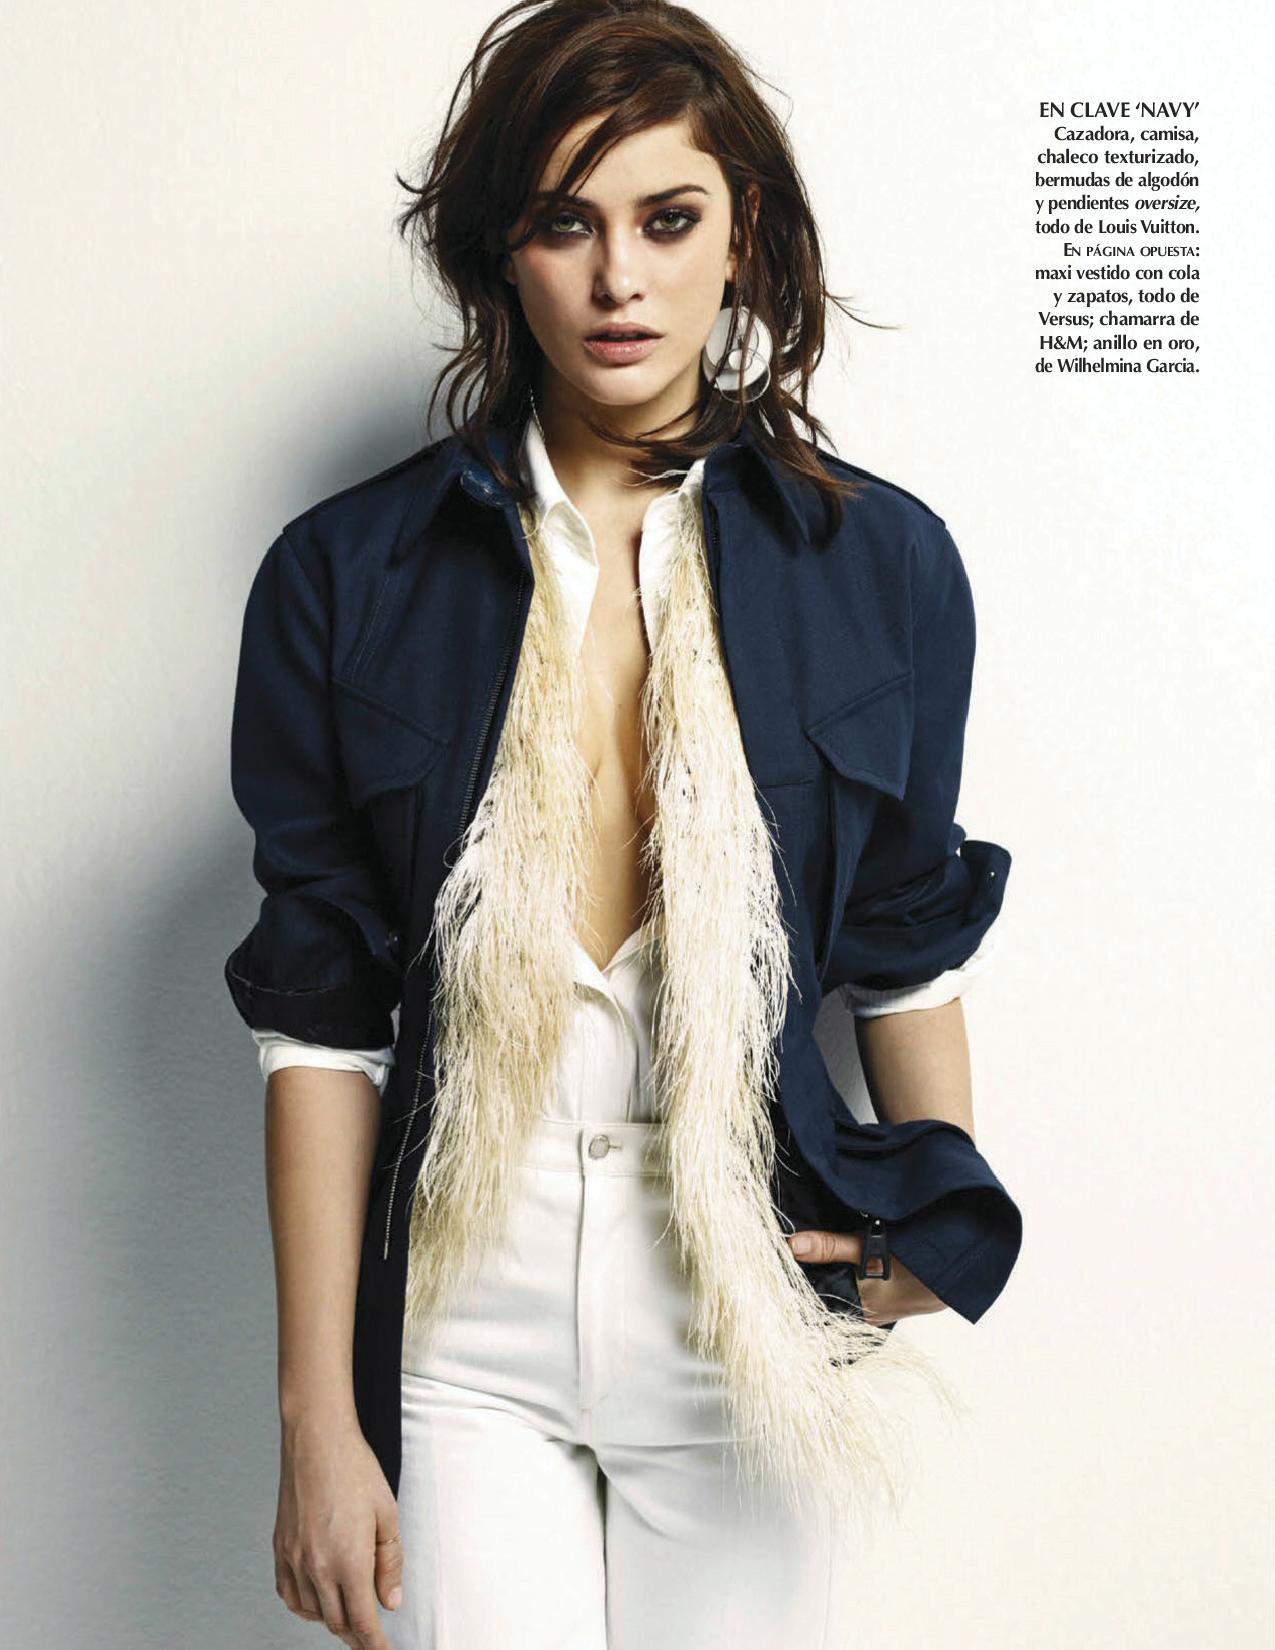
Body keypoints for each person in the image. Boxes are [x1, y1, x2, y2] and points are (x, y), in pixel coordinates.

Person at [222, 3, 1019, 1646]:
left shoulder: (883, 568)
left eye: (667, 219)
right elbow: (321, 1026)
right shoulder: (342, 578)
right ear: (499, 253)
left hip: (743, 1311)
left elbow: (907, 944)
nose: (618, 281)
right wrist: (317, 1416)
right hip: (462, 1321)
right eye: (563, 224)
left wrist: (925, 1234)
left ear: (743, 236)